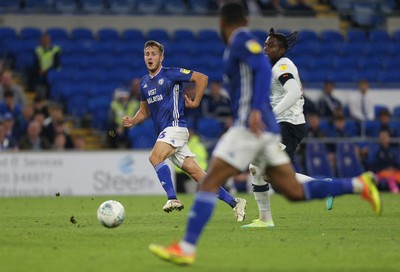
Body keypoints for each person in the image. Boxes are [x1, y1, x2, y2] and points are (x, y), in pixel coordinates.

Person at [148, 3, 381, 265]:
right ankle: (359, 184)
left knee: (210, 179)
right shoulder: (243, 43)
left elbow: (260, 68)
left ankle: (186, 247)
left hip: (250, 126)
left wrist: (257, 110)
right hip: (265, 128)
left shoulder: (241, 40)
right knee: (290, 189)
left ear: (222, 24)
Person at [122, 40, 247, 220]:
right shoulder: (144, 83)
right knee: (200, 176)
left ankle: (172, 198)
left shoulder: (171, 73)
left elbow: (202, 78)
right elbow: (144, 111)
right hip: (166, 133)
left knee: (154, 157)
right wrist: (133, 121)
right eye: (147, 54)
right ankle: (235, 202)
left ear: (161, 57)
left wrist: (195, 101)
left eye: (153, 54)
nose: (150, 57)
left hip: (175, 127)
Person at [366, 129, 400, 193]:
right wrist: (384, 169)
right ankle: (395, 190)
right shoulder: (376, 151)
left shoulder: (393, 151)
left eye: (385, 137)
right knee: (390, 179)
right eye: (382, 137)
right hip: (381, 173)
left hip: (393, 172)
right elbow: (372, 165)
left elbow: (397, 163)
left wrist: (393, 168)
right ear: (379, 138)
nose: (384, 139)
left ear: (388, 138)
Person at [28, 33, 61, 98]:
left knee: (48, 76)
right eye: (43, 40)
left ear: (49, 40)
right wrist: (39, 69)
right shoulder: (38, 50)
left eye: (46, 39)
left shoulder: (55, 49)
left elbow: (56, 64)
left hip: (51, 70)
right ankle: (31, 91)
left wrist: (46, 71)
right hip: (40, 70)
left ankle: (48, 96)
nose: (44, 41)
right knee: (30, 70)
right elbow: (36, 62)